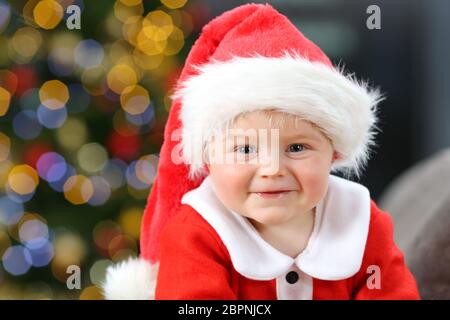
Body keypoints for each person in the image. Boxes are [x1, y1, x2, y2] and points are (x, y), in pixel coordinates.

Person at [102, 3, 420, 300]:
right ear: (209, 158)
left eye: (297, 147)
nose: (271, 169)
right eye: (244, 149)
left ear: (333, 152)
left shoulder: (360, 219)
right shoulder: (197, 231)